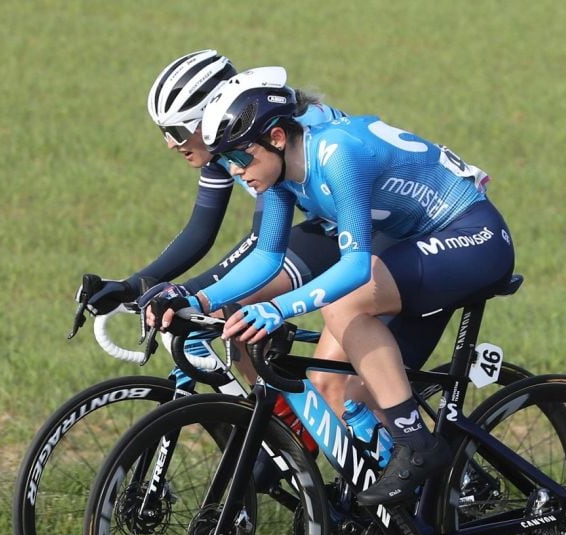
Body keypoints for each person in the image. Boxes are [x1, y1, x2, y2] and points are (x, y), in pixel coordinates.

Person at [146, 71, 515, 508]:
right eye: (226, 163)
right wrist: (197, 299)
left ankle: (420, 446)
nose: (237, 173)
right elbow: (267, 259)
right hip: (419, 246)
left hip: (472, 236)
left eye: (241, 159)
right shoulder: (281, 175)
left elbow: (356, 267)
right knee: (335, 386)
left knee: (344, 306)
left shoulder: (338, 155)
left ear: (277, 137)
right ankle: (427, 513)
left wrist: (277, 310)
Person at [81, 51, 370, 412]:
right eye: (163, 132)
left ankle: (290, 431)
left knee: (233, 313)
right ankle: (282, 431)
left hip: (367, 231)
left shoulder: (263, 141)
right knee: (235, 321)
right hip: (328, 225)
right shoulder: (227, 151)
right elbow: (200, 232)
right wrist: (135, 284)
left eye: (177, 131)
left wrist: (184, 294)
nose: (170, 144)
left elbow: (261, 244)